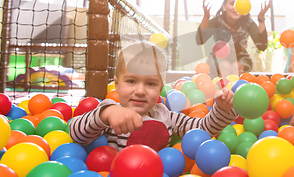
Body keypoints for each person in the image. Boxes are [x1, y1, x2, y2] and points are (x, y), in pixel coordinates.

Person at [69, 41, 238, 152]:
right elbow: (75, 133)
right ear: (117, 85)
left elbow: (203, 130)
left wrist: (222, 110)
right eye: (131, 81)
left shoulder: (166, 116)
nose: (141, 91)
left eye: (150, 84)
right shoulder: (110, 112)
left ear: (160, 88)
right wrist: (106, 114)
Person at [196, 0, 271, 76]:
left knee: (236, 66)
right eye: (232, 4)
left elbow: (262, 46)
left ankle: (235, 87)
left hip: (241, 57)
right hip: (217, 57)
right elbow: (200, 41)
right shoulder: (217, 21)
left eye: (238, 4)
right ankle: (223, 88)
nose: (235, 7)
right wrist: (206, 17)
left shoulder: (247, 21)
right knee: (225, 66)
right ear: (224, 6)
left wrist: (261, 19)